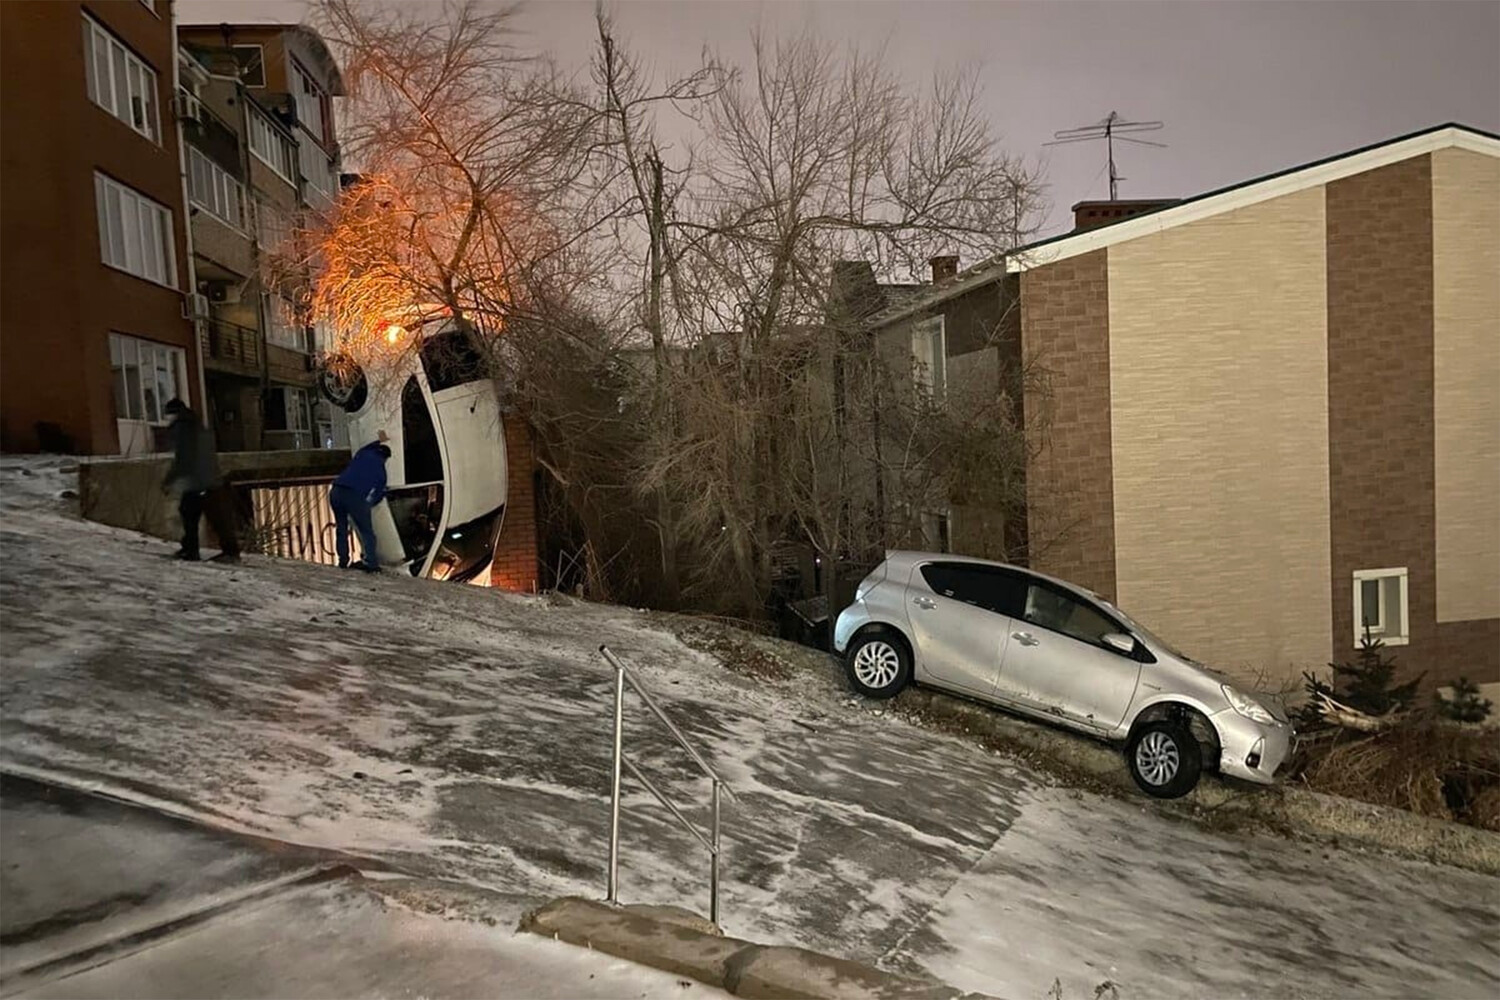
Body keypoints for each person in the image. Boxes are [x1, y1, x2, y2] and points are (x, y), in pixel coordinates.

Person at [162, 398, 240, 563]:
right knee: (214, 516)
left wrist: (169, 480)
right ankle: (222, 550)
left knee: (191, 515)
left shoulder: (182, 428)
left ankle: (194, 550)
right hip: (210, 478)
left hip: (198, 481)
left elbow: (183, 459)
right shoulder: (197, 425)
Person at [331, 434, 390, 572]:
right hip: (354, 495)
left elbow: (367, 446)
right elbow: (379, 493)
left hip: (336, 490)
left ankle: (343, 561)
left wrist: (378, 441)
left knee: (341, 529)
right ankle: (371, 564)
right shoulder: (381, 470)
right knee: (367, 532)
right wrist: (369, 504)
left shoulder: (363, 453)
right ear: (385, 458)